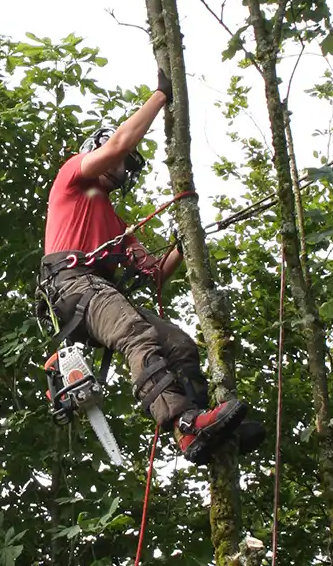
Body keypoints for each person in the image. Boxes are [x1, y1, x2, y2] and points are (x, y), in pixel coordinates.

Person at [38, 74, 264, 465]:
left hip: (95, 294)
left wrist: (185, 242)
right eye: (121, 162)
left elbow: (156, 273)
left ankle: (196, 430)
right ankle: (184, 419)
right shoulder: (71, 177)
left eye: (127, 167)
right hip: (71, 286)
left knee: (178, 344)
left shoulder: (116, 226)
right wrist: (161, 95)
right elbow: (121, 142)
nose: (122, 168)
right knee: (134, 331)